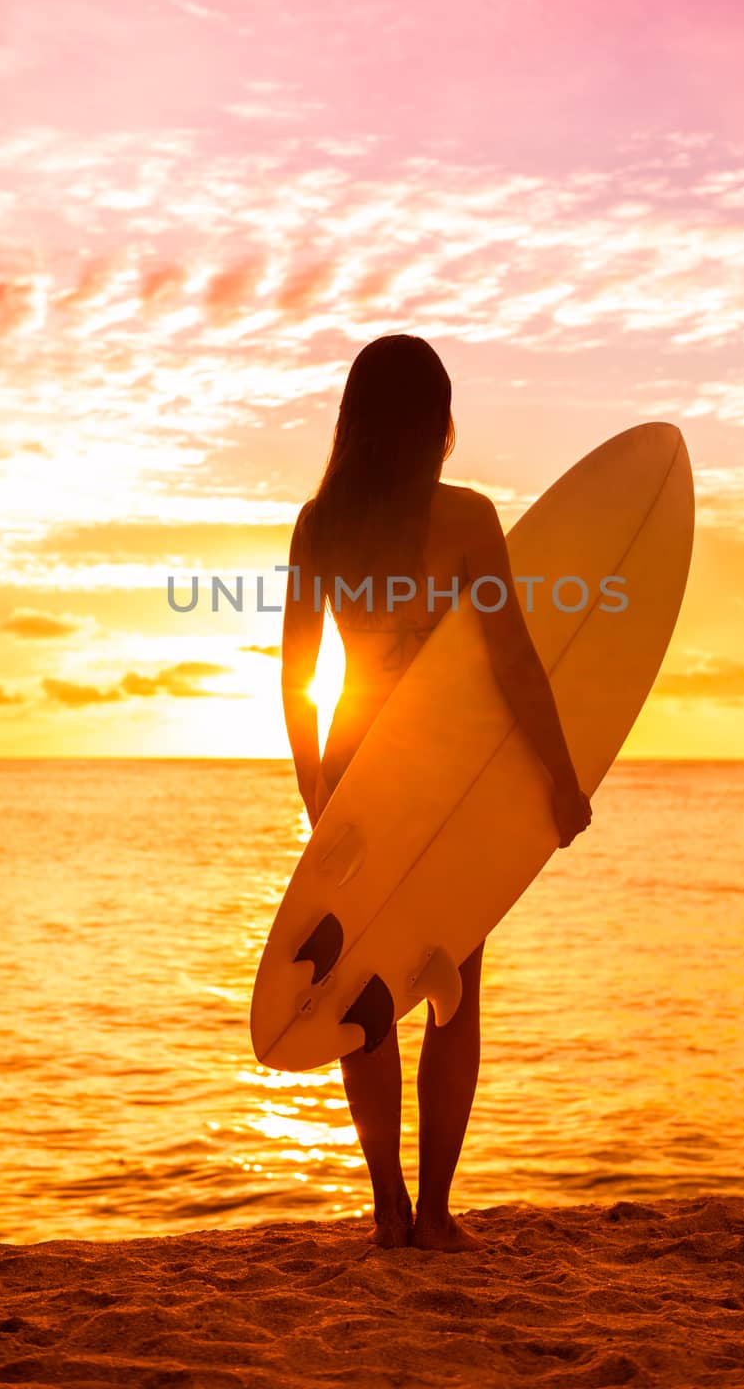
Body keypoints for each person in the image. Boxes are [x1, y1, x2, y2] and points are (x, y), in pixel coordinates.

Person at [280, 334, 592, 1253]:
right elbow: (513, 665)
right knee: (454, 991)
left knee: (364, 999)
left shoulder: (319, 523)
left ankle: (386, 1208)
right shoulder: (465, 518)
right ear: (435, 421)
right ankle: (435, 1212)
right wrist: (559, 777)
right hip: (444, 774)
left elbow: (296, 683)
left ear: (354, 420)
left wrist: (317, 800)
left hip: (355, 767)